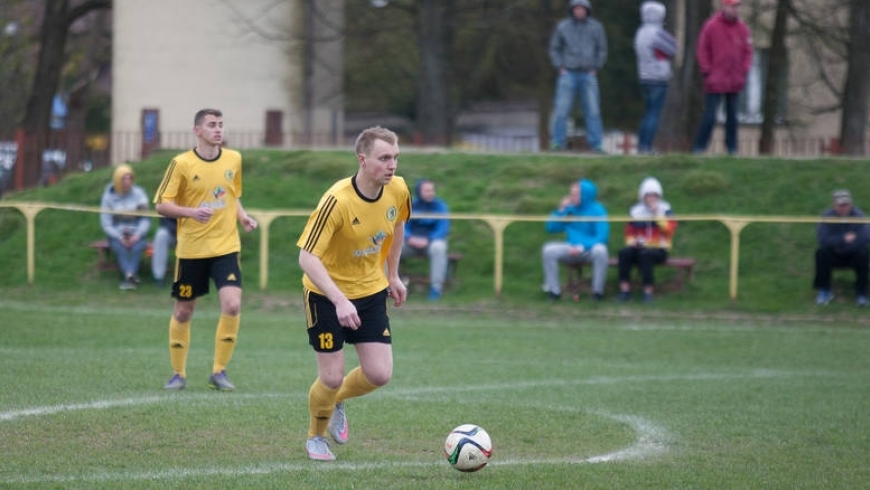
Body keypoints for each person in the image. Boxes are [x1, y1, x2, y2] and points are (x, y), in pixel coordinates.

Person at [296, 126, 410, 462]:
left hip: (371, 290)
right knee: (330, 377)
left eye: (395, 158)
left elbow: (398, 224)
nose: (392, 165)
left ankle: (337, 402)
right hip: (324, 293)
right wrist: (339, 299)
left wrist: (393, 274)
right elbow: (306, 257)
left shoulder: (399, 189)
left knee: (379, 374)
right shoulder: (337, 201)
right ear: (362, 160)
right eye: (384, 158)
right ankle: (315, 438)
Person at [153, 108, 259, 391]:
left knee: (233, 305)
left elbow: (231, 194)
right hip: (191, 252)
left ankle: (219, 371)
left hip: (226, 248)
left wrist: (243, 216)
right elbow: (161, 205)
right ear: (197, 131)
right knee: (184, 312)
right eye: (212, 125)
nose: (218, 129)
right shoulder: (181, 164)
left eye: (221, 124)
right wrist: (190, 212)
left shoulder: (234, 159)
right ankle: (178, 374)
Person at [691, 0, 753, 155]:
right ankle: (699, 147)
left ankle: (732, 148)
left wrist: (743, 70)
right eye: (733, 6)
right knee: (710, 116)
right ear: (724, 7)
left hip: (734, 80)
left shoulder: (742, 29)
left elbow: (748, 52)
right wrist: (707, 71)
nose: (735, 10)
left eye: (737, 6)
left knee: (732, 117)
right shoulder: (711, 26)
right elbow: (702, 50)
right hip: (715, 80)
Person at [548, 0, 608, 153]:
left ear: (587, 10)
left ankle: (597, 144)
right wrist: (560, 67)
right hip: (568, 73)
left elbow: (602, 49)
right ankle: (557, 143)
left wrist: (596, 67)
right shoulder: (563, 27)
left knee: (593, 111)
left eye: (582, 8)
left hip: (588, 74)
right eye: (576, 8)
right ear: (572, 10)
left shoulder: (596, 27)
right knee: (561, 110)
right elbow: (554, 48)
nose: (579, 11)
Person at [542, 178, 609, 301]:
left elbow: (602, 237)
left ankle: (597, 293)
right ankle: (554, 292)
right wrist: (561, 210)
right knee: (548, 250)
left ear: (585, 195)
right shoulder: (570, 209)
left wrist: (582, 247)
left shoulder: (598, 210)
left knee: (601, 250)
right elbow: (550, 228)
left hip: (589, 250)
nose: (571, 197)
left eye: (575, 194)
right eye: (571, 194)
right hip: (570, 248)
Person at [617, 177, 677, 303]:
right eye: (648, 195)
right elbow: (628, 233)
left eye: (654, 195)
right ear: (643, 196)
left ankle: (648, 292)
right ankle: (624, 290)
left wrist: (657, 216)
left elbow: (670, 230)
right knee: (624, 253)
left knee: (646, 255)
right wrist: (632, 242)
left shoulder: (666, 209)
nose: (651, 198)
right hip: (640, 246)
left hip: (659, 248)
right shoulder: (635, 211)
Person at [633, 1, 677, 154]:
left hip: (644, 76)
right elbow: (672, 49)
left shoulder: (640, 32)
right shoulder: (657, 33)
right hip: (658, 77)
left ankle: (642, 144)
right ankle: (647, 146)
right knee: (654, 114)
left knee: (647, 113)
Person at [99, 163, 151, 291]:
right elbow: (106, 223)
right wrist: (119, 236)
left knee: (138, 246)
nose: (127, 182)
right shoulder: (108, 197)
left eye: (130, 178)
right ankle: (131, 275)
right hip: (117, 233)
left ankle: (129, 276)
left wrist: (137, 234)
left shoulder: (139, 195)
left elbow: (146, 219)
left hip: (136, 232)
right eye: (124, 179)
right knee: (119, 247)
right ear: (117, 180)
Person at [814, 189, 870, 307]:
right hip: (834, 254)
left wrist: (844, 247)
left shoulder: (858, 215)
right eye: (841, 205)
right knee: (822, 253)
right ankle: (824, 290)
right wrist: (843, 239)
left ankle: (861, 293)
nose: (845, 207)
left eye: (847, 204)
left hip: (853, 254)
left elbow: (864, 237)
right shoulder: (827, 216)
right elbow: (823, 239)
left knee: (863, 253)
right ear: (834, 205)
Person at [402, 178, 450, 301]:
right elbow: (402, 225)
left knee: (439, 247)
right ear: (419, 191)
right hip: (410, 243)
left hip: (430, 243)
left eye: (432, 190)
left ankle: (436, 288)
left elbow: (443, 228)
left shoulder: (441, 206)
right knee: (390, 246)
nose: (431, 193)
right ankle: (387, 287)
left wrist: (428, 239)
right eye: (427, 190)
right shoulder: (410, 205)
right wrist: (409, 237)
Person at [151, 216, 177, 288]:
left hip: (191, 234)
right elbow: (165, 221)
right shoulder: (169, 204)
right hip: (173, 233)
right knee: (161, 235)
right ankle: (159, 277)